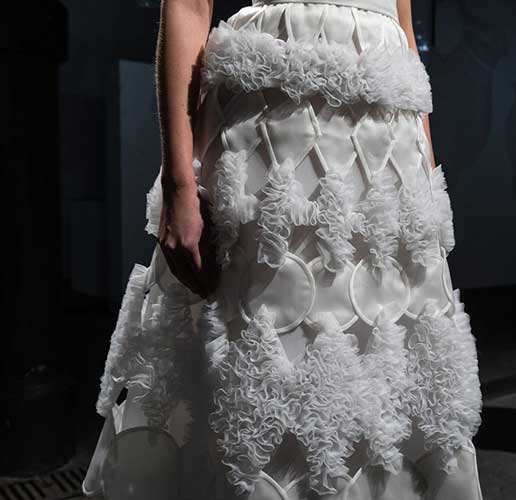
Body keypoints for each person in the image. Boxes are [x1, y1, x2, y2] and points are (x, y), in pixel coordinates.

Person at [82, 0, 484, 498]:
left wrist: (426, 175)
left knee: (393, 368)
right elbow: (187, 5)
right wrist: (179, 184)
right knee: (256, 357)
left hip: (389, 138)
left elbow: (402, 18)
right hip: (274, 117)